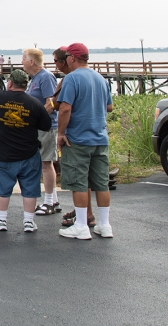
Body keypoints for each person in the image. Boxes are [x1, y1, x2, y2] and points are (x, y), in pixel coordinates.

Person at [0, 70, 52, 233]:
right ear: (25, 85)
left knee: (3, 188)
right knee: (29, 189)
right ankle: (29, 222)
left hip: (5, 154)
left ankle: (1, 220)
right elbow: (46, 125)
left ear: (9, 83)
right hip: (29, 154)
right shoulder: (34, 103)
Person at [55, 43, 114, 240]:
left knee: (79, 182)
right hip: (100, 137)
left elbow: (65, 108)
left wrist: (61, 133)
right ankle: (105, 225)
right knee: (101, 183)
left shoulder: (72, 79)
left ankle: (81, 225)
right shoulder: (100, 78)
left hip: (78, 139)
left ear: (71, 58)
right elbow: (109, 107)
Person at [21, 48, 61, 215]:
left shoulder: (45, 77)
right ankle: (55, 201)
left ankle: (49, 202)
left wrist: (39, 119)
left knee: (46, 163)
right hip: (37, 127)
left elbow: (51, 103)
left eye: (24, 58)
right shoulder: (35, 79)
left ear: (32, 62)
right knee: (43, 162)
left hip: (46, 127)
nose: (22, 61)